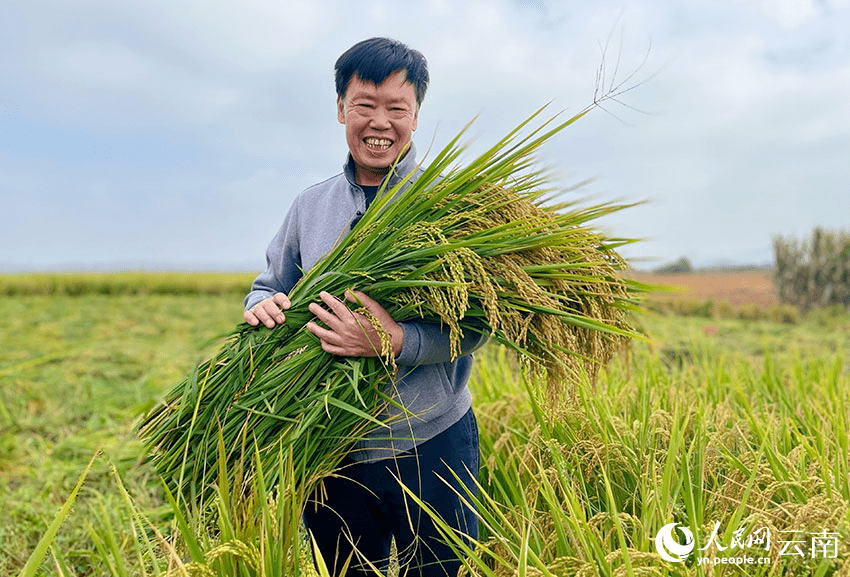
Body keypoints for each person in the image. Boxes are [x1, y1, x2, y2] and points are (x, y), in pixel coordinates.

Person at [242, 37, 487, 577]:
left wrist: (395, 342)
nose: (381, 122)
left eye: (396, 108)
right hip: (330, 445)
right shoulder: (310, 205)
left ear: (416, 116)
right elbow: (268, 285)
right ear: (340, 110)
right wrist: (261, 306)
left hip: (431, 439)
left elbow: (479, 322)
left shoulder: (450, 208)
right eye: (365, 106)